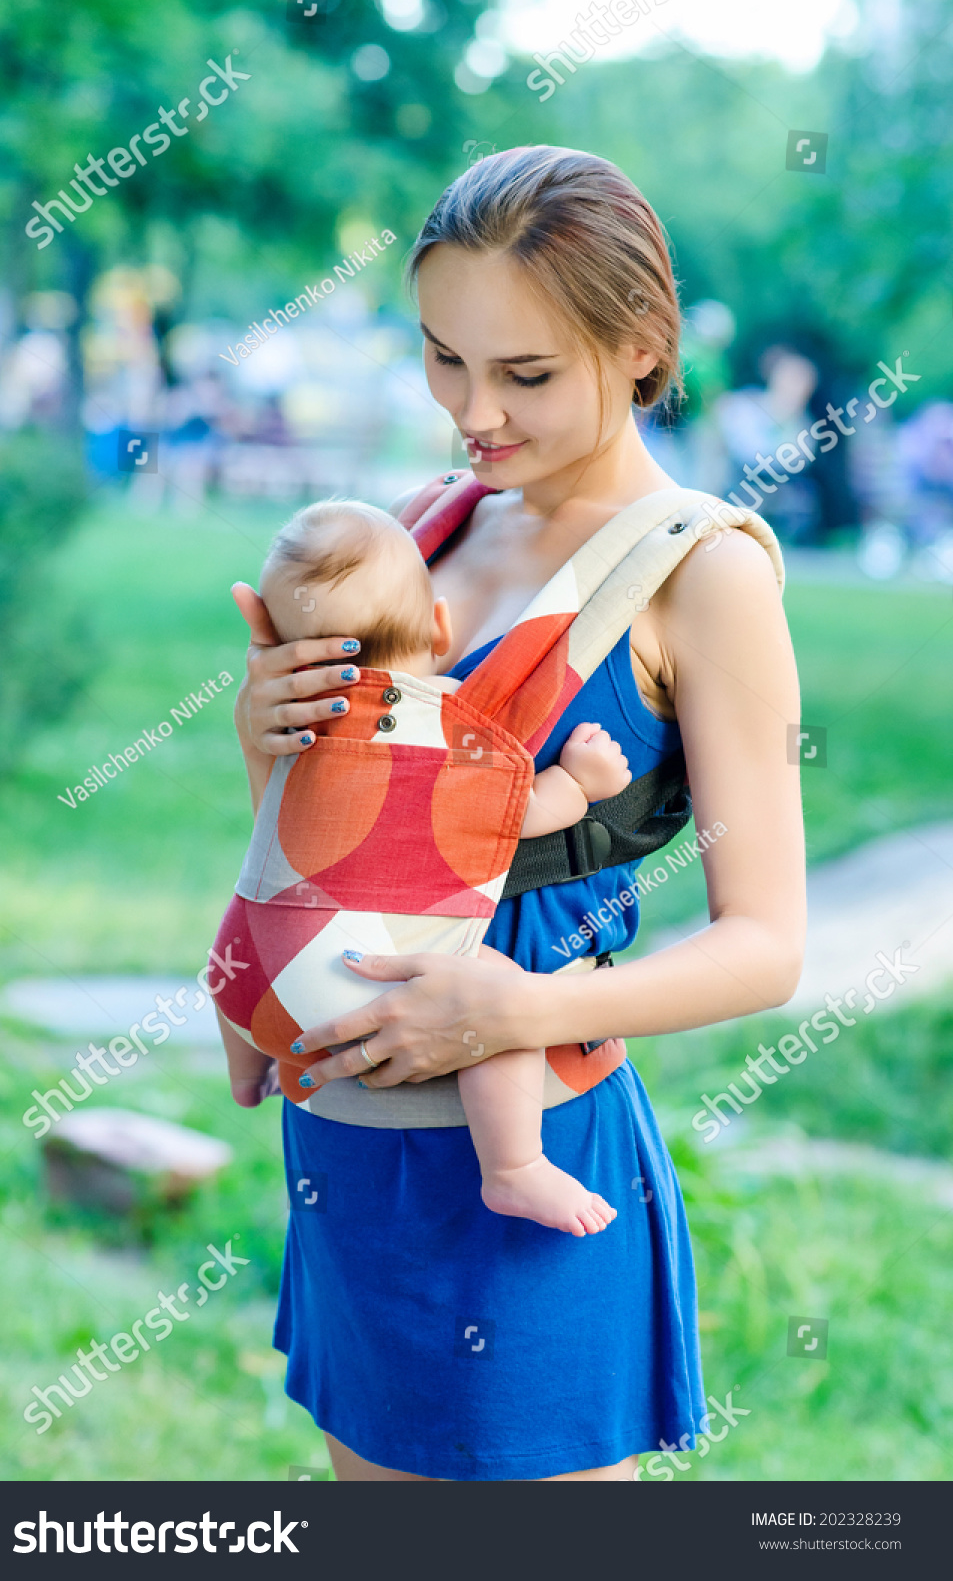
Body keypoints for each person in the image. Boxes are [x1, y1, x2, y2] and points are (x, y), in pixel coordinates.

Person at [226, 147, 806, 1482]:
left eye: (525, 375)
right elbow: (327, 847)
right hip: (352, 1149)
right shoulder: (420, 532)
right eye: (443, 359)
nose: (472, 412)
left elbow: (769, 945)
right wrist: (262, 749)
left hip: (528, 1143)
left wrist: (515, 1012)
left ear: (641, 345)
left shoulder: (702, 575)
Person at [215, 497, 629, 1236]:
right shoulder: (451, 733)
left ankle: (248, 1072)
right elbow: (520, 816)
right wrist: (582, 783)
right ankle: (513, 1168)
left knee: (233, 947)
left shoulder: (294, 723)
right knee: (500, 999)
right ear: (441, 629)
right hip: (366, 988)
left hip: (253, 989)